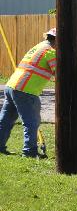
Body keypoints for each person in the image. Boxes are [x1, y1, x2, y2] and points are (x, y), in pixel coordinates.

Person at [0, 28, 56, 158]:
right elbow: (60, 73)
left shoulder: (38, 47)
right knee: (31, 121)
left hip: (12, 86)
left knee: (6, 119)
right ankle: (29, 151)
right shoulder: (51, 51)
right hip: (26, 90)